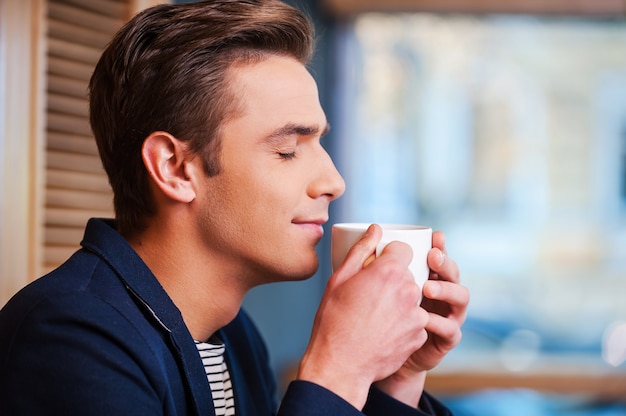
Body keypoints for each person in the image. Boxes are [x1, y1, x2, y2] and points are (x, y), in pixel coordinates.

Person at [0, 0, 469, 415]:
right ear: (175, 167)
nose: (334, 182)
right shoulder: (71, 338)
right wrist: (336, 370)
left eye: (318, 143)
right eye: (288, 150)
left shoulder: (234, 336)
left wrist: (394, 376)